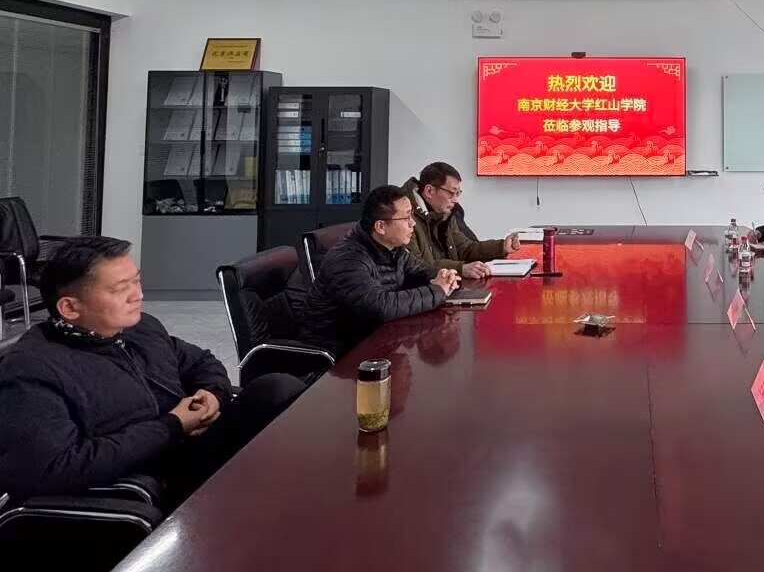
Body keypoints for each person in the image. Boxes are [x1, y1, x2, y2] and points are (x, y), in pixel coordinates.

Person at [0, 237, 304, 507]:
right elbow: (54, 469)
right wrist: (172, 426)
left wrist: (213, 393)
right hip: (148, 483)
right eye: (121, 289)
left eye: (137, 281)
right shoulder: (32, 369)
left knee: (279, 392)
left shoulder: (140, 328)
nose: (137, 295)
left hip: (191, 449)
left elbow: (201, 362)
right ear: (69, 308)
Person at [300, 185, 461, 358]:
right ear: (381, 227)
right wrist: (438, 290)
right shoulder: (348, 259)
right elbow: (380, 307)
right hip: (339, 355)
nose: (413, 223)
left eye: (412, 215)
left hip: (376, 340)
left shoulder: (393, 247)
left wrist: (444, 276)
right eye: (406, 217)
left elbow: (419, 271)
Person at [403, 161, 520, 279]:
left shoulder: (445, 213)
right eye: (452, 193)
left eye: (458, 193)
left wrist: (502, 247)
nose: (455, 200)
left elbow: (465, 248)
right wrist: (461, 269)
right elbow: (418, 266)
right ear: (429, 191)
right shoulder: (405, 218)